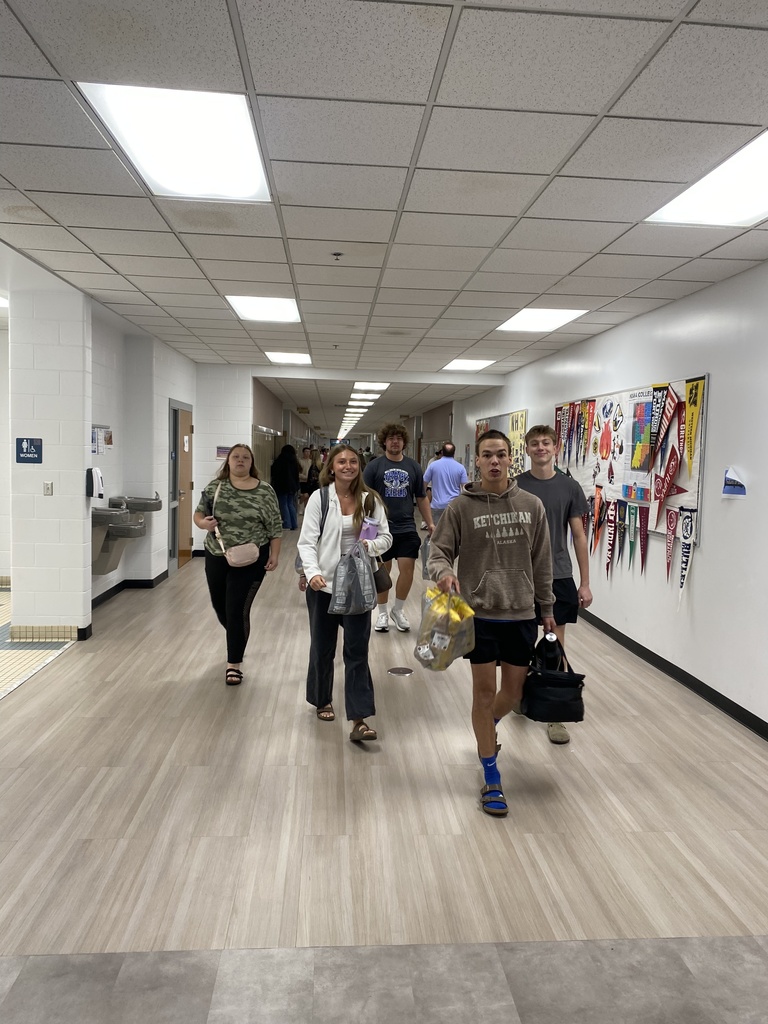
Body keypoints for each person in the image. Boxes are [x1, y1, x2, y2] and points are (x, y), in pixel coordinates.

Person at [428, 429, 555, 818]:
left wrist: (546, 607)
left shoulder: (532, 505)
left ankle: (488, 726)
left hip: (520, 613)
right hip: (479, 613)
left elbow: (542, 561)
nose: (495, 461)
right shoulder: (459, 508)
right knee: (482, 695)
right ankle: (491, 775)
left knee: (512, 695)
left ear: (510, 459)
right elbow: (438, 553)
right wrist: (444, 574)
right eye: (487, 455)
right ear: (477, 462)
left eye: (501, 454)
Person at [297, 444, 392, 741]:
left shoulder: (370, 500)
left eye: (353, 461)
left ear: (359, 466)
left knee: (357, 651)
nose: (348, 466)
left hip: (359, 586)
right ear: (332, 466)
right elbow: (306, 541)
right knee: (322, 648)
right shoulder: (320, 498)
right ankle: (322, 698)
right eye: (342, 461)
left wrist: (370, 546)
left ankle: (359, 718)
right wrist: (312, 573)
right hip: (323, 585)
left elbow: (386, 537)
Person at [516, 424, 593, 745]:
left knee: (554, 643)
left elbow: (577, 535)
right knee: (519, 646)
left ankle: (555, 714)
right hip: (519, 576)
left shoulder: (570, 487)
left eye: (546, 443)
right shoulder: (515, 485)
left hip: (558, 576)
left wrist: (585, 582)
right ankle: (520, 696)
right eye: (534, 444)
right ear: (527, 449)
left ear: (556, 447)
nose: (540, 448)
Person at [194, 443, 283, 686]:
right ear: (228, 461)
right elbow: (198, 514)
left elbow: (275, 525)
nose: (241, 460)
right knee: (220, 605)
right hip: (217, 555)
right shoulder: (215, 487)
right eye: (236, 457)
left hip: (253, 558)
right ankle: (237, 634)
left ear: (252, 462)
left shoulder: (264, 491)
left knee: (236, 609)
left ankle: (233, 663)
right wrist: (204, 525)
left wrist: (275, 554)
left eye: (245, 457)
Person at [363, 422, 434, 633]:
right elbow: (365, 498)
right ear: (384, 442)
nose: (395, 442)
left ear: (404, 442)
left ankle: (398, 610)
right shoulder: (374, 467)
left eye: (399, 439)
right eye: (391, 438)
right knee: (383, 572)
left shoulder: (413, 466)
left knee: (407, 569)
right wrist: (364, 530)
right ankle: (383, 613)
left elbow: (421, 498)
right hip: (380, 528)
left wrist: (430, 522)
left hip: (406, 528)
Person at [423, 442, 468, 528]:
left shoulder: (433, 466)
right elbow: (464, 488)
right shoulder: (461, 468)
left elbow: (423, 485)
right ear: (454, 453)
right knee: (452, 533)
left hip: (437, 506)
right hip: (454, 506)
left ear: (442, 452)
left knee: (436, 534)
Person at [270, 443, 301, 530]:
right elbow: (296, 475)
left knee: (283, 504)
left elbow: (274, 471)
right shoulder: (295, 461)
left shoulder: (280, 460)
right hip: (293, 486)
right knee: (290, 504)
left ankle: (287, 524)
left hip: (282, 486)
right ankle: (294, 524)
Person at [298, 445, 313, 513]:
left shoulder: (311, 462)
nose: (307, 453)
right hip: (302, 481)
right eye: (306, 452)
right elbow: (298, 473)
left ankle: (306, 509)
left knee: (308, 496)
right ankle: (300, 506)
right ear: (303, 452)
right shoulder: (300, 461)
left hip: (309, 482)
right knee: (303, 495)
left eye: (308, 452)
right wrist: (305, 477)